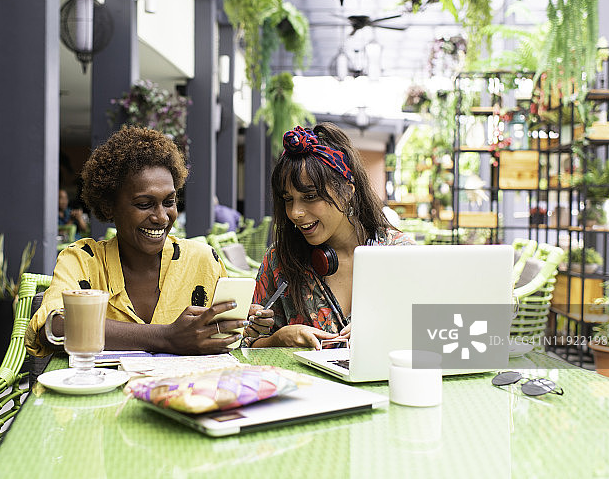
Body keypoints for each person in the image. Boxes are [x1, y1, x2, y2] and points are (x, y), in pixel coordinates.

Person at [26, 126, 273, 357]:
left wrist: (245, 325)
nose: (162, 217)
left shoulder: (202, 261)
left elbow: (223, 337)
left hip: (185, 397)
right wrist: (166, 337)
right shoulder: (84, 260)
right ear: (108, 207)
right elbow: (54, 328)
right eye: (144, 204)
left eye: (169, 202)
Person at [244, 124, 414, 350]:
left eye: (310, 196)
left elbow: (435, 336)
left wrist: (391, 329)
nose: (296, 212)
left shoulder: (402, 254)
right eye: (288, 199)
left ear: (347, 191)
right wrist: (278, 339)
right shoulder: (279, 259)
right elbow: (245, 347)